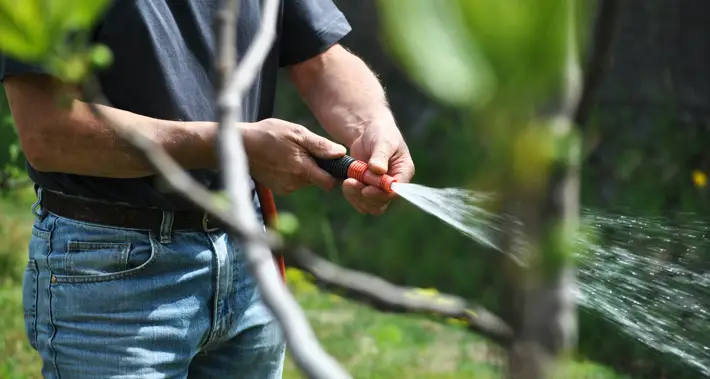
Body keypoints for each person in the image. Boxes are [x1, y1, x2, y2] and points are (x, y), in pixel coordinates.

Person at [0, 0, 414, 378]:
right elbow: (49, 134)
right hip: (112, 274)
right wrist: (231, 145)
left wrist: (372, 124)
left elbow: (321, 60)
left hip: (246, 249)